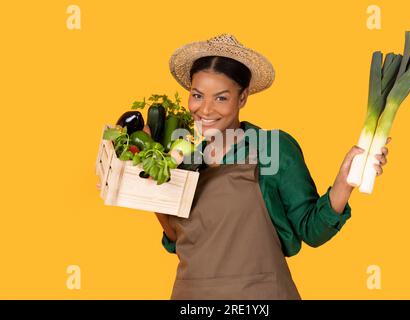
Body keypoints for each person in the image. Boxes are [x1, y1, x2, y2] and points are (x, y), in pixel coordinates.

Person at [101, 34, 391, 300]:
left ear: (243, 98)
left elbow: (312, 230)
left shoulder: (271, 148)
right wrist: (150, 190)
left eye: (221, 98)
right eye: (197, 95)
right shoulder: (184, 159)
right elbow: (178, 241)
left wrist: (345, 182)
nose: (205, 110)